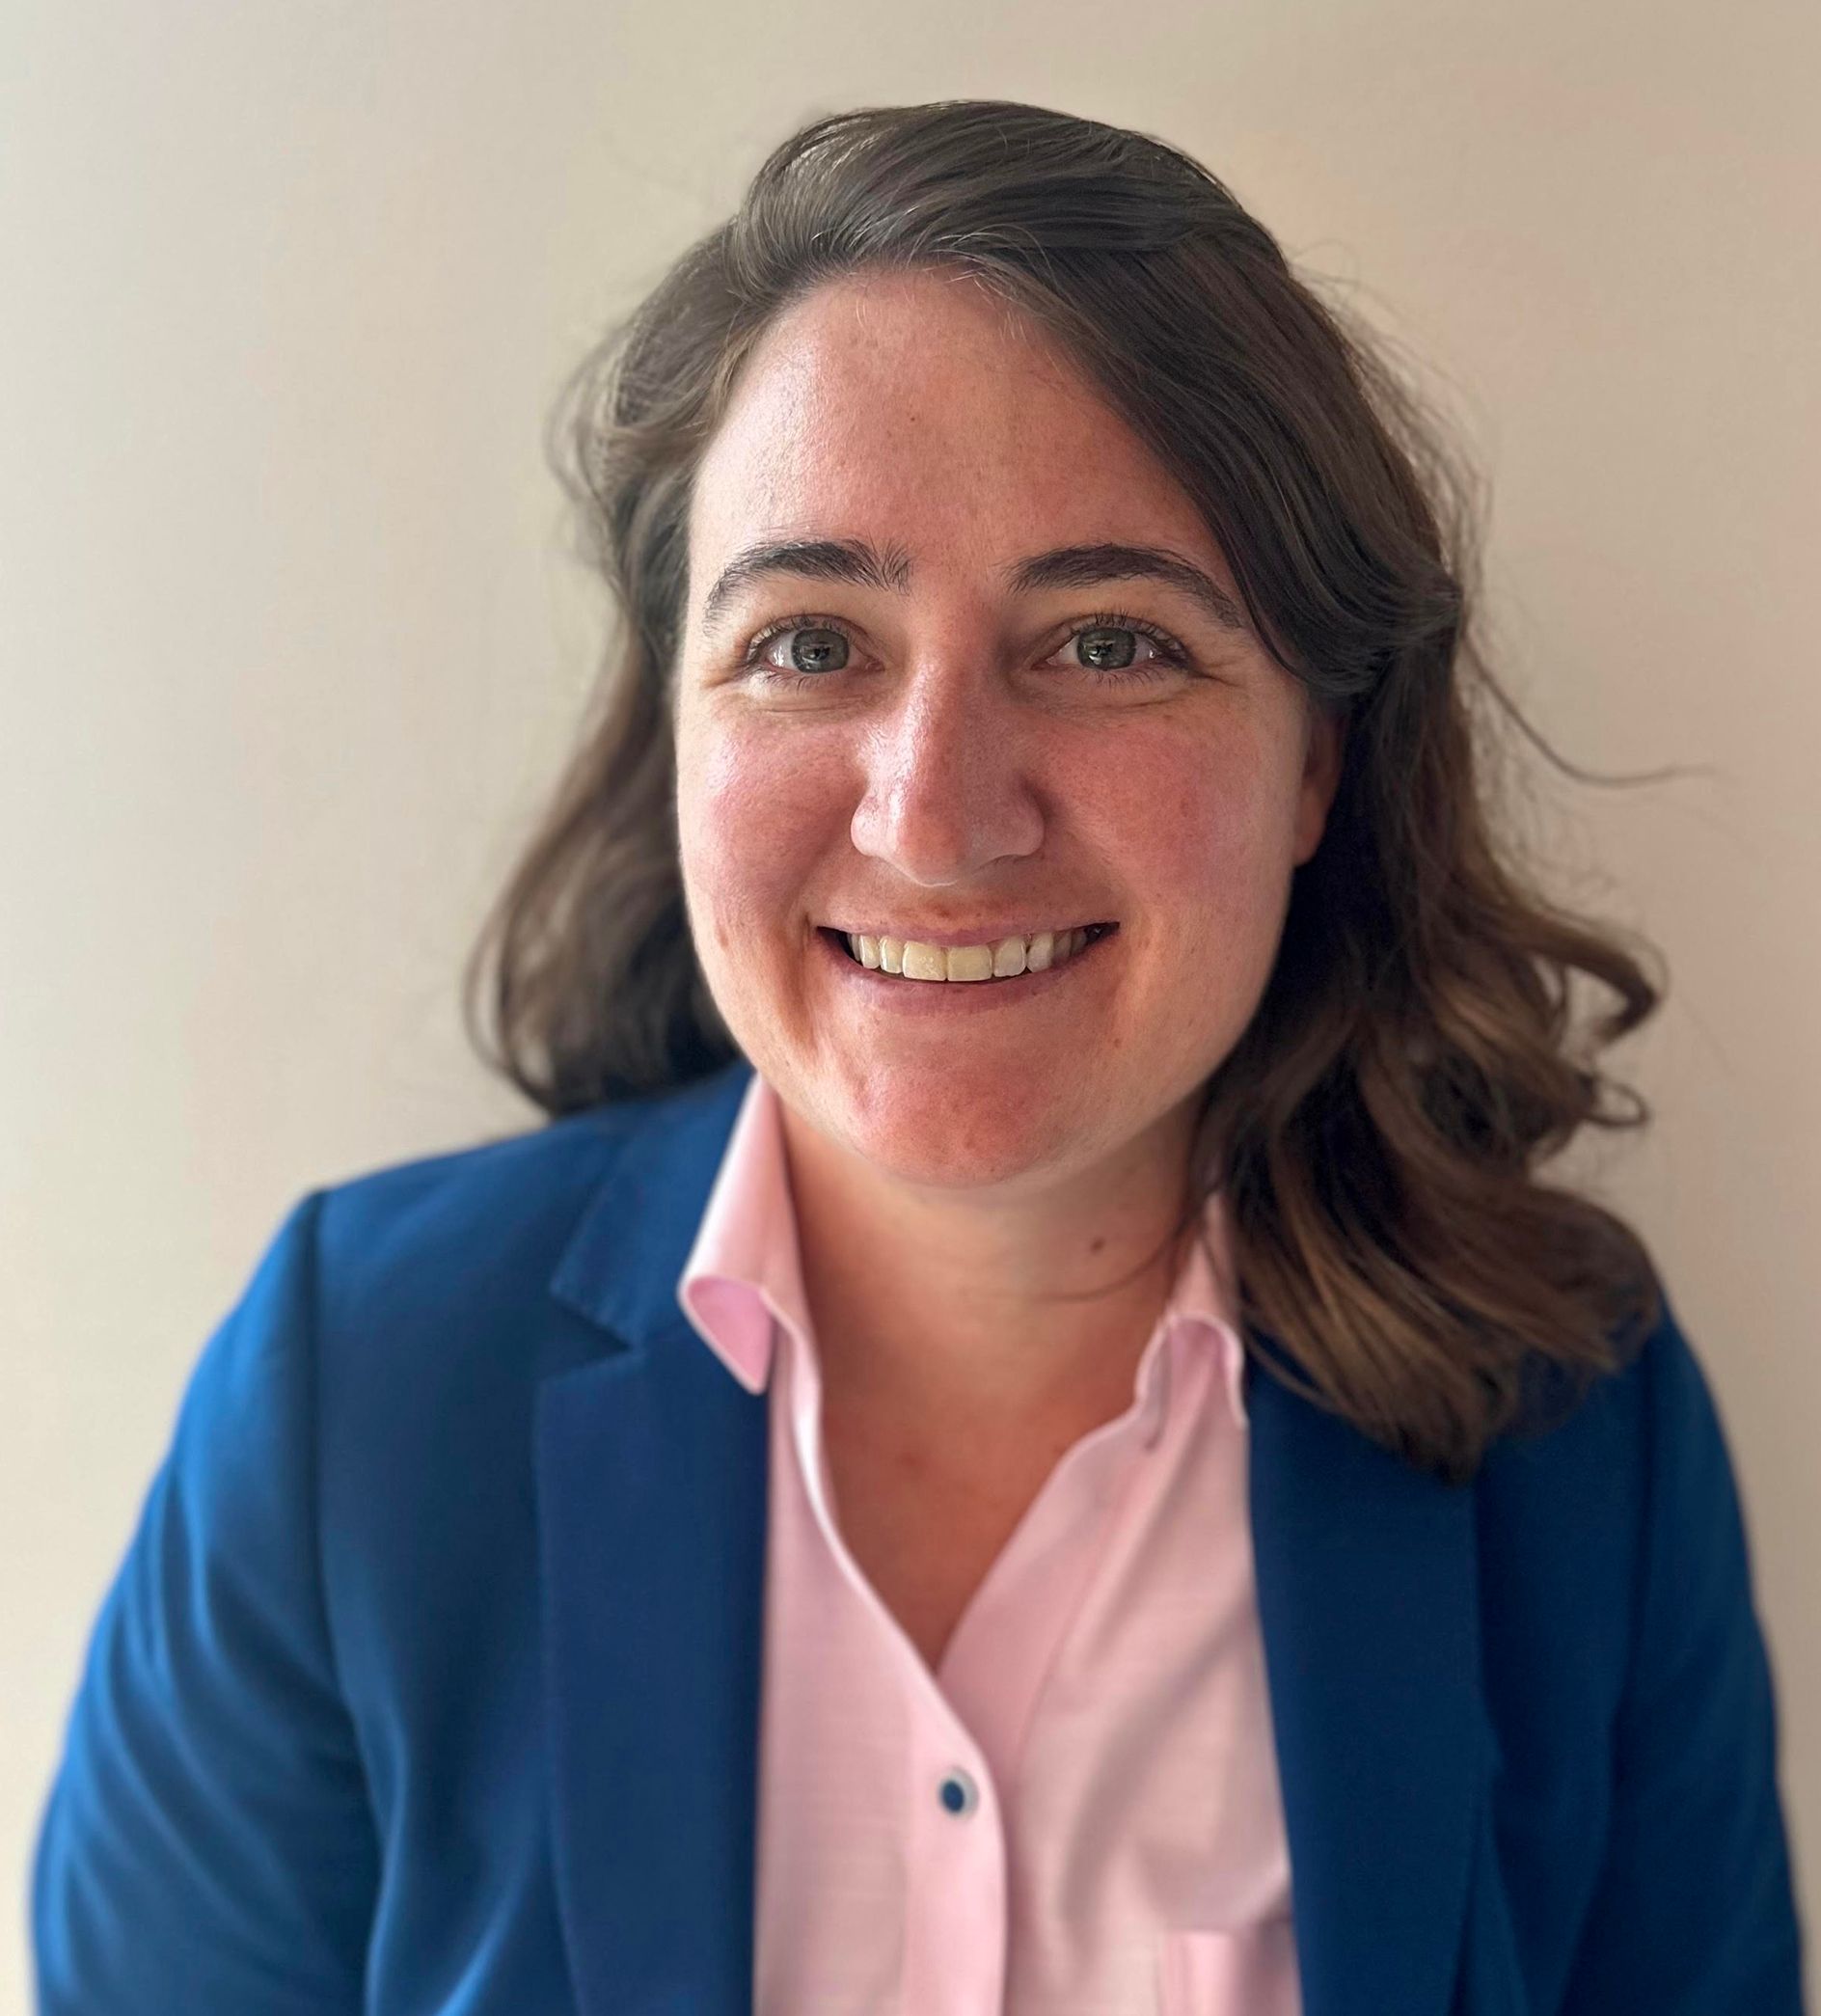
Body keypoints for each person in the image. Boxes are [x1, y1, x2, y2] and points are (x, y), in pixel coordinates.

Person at [31, 98, 1806, 2016]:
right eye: (809, 645)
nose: (938, 818)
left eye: (1109, 644)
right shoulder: (351, 1398)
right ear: (674, 734)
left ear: (1316, 757)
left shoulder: (1563, 1418)